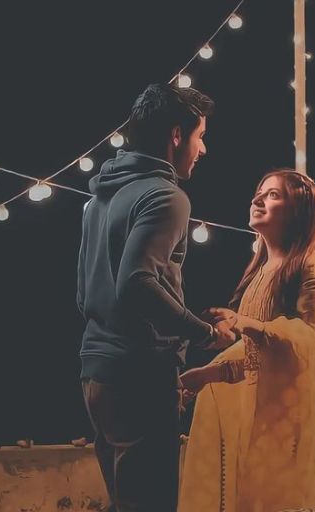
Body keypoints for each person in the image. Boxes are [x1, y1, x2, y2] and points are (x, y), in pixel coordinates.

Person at [76, 83, 235, 512]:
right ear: (177, 135)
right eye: (200, 136)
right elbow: (136, 283)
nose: (203, 149)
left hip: (97, 374)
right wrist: (203, 333)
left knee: (125, 502)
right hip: (139, 376)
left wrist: (178, 315)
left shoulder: (100, 197)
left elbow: (86, 292)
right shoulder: (166, 196)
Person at [179, 169, 315, 512]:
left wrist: (246, 323)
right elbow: (260, 357)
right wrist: (207, 375)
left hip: (298, 425)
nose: (257, 199)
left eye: (273, 195)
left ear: (300, 209)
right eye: (259, 192)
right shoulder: (259, 273)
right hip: (256, 417)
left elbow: (312, 345)